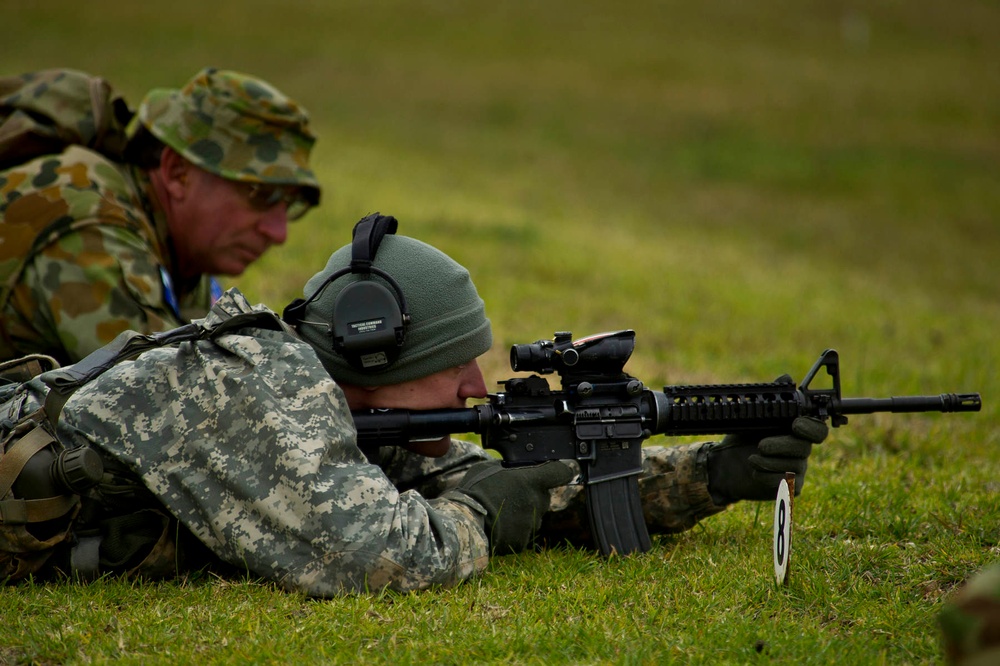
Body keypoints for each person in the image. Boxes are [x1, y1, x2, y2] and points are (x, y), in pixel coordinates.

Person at [10, 215, 826, 596]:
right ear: (375, 347)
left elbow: (538, 493)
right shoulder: (259, 385)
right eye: (452, 363)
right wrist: (479, 511)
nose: (475, 386)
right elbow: (380, 557)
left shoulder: (360, 410)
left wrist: (713, 474)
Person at [0, 67, 321, 367]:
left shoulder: (182, 247)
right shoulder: (91, 225)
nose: (279, 233)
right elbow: (170, 399)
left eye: (290, 204)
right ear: (177, 172)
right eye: (261, 195)